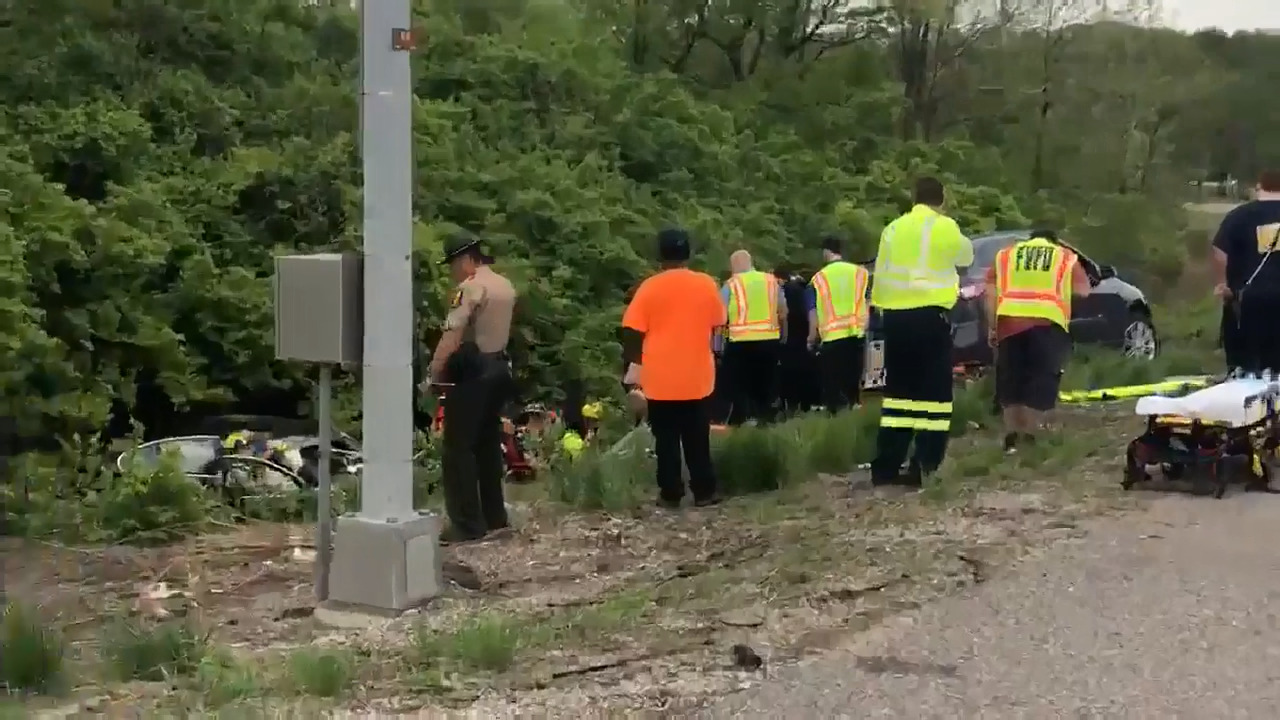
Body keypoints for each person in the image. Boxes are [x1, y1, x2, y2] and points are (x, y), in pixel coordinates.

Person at [868, 177, 974, 488]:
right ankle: (924, 464)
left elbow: (883, 270)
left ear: (915, 197)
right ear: (942, 199)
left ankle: (885, 467)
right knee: (935, 395)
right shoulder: (944, 226)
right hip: (929, 316)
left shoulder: (893, 228)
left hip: (895, 319)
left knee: (899, 395)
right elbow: (965, 257)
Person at [621, 228, 725, 508]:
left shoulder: (649, 287)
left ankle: (670, 492)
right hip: (697, 374)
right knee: (697, 436)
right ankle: (704, 491)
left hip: (660, 376)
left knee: (665, 439)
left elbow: (632, 330)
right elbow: (719, 320)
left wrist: (633, 369)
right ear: (688, 253)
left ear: (660, 255)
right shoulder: (705, 284)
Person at [427, 232, 517, 544]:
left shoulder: (470, 288)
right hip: (501, 368)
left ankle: (466, 524)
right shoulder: (504, 285)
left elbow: (452, 337)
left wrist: (433, 373)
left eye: (452, 263)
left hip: (474, 372)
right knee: (487, 445)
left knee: (457, 449)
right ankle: (494, 517)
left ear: (466, 259)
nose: (452, 271)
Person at [983, 230, 1092, 454]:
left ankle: (1012, 435)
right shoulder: (1065, 256)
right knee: (1041, 376)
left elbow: (990, 293)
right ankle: (1032, 434)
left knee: (1011, 377)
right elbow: (1083, 291)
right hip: (1047, 322)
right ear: (1053, 241)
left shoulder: (1006, 255)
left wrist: (992, 325)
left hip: (1009, 322)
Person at [1212, 170, 1280, 374]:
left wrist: (1222, 284)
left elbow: (1219, 251)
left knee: (1244, 367)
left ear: (1259, 188)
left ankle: (1247, 399)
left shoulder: (1239, 215)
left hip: (1246, 301)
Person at [720, 250, 788, 425]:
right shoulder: (771, 281)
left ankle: (745, 420)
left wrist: (718, 343)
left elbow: (720, 316)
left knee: (740, 385)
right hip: (769, 340)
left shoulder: (732, 284)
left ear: (734, 265)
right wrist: (783, 335)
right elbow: (783, 312)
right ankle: (766, 420)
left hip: (740, 343)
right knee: (766, 384)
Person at [806, 235, 871, 413]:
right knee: (853, 378)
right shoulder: (860, 273)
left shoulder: (819, 279)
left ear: (826, 252)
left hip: (832, 336)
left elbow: (813, 312)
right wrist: (864, 327)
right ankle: (855, 408)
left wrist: (812, 337)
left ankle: (836, 416)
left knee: (833, 383)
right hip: (856, 333)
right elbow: (867, 302)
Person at [775, 265, 815, 416]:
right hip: (803, 336)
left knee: (788, 373)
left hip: (789, 338)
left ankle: (790, 405)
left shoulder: (785, 291)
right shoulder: (803, 289)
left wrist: (782, 337)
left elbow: (783, 315)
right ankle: (805, 405)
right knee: (803, 372)